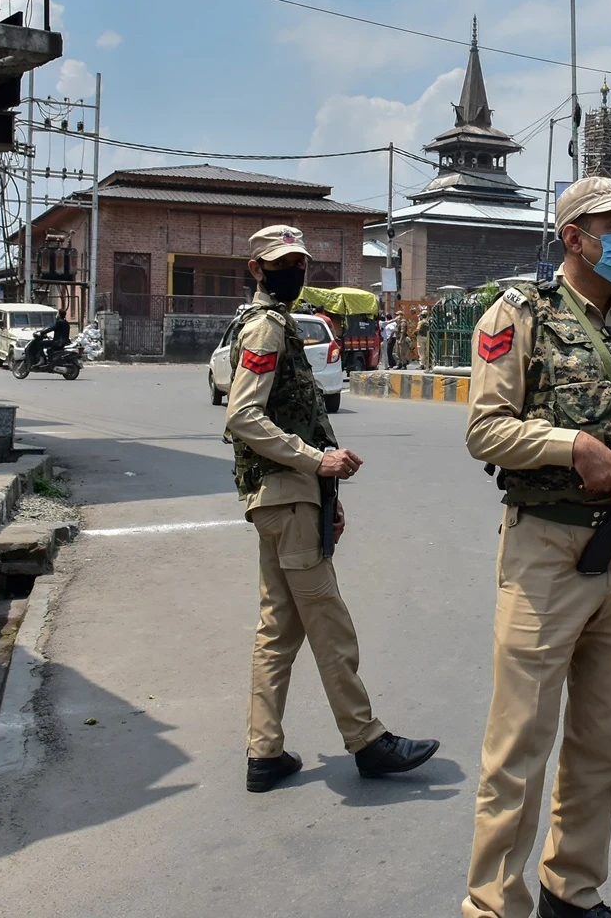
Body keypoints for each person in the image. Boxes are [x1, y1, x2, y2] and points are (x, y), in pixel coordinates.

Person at [460, 177, 611, 918]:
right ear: (575, 236)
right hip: (549, 555)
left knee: (605, 745)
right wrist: (571, 447)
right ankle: (495, 904)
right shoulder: (517, 315)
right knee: (519, 748)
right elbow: (485, 430)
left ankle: (573, 887)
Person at [225, 224, 439, 794]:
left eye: (298, 261)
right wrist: (315, 463)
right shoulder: (267, 327)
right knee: (330, 626)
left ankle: (264, 752)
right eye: (280, 263)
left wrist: (324, 489)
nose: (292, 272)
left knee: (278, 630)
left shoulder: (269, 325)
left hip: (281, 499)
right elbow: (243, 416)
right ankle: (367, 740)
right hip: (287, 496)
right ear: (257, 270)